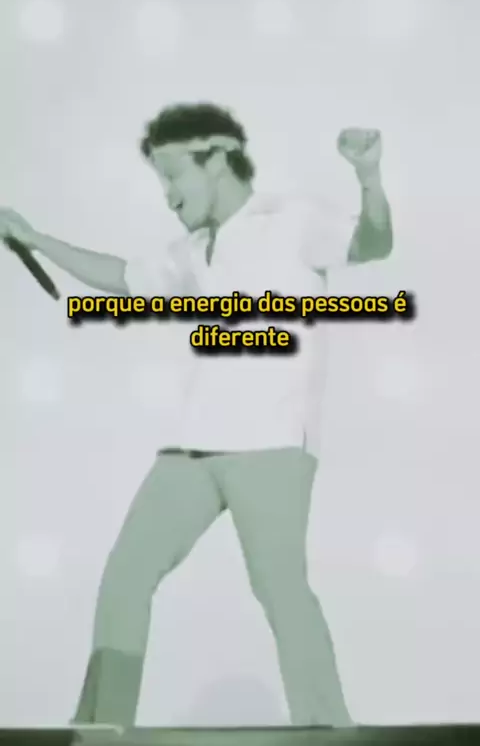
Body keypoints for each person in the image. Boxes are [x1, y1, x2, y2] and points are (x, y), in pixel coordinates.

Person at [0, 103, 393, 728]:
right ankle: (99, 731)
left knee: (279, 588)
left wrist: (368, 175)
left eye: (172, 174)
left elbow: (372, 243)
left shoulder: (290, 220)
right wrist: (36, 239)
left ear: (217, 159)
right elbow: (124, 277)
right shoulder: (192, 251)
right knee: (126, 575)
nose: (167, 194)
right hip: (193, 446)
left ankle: (328, 731)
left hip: (271, 444)